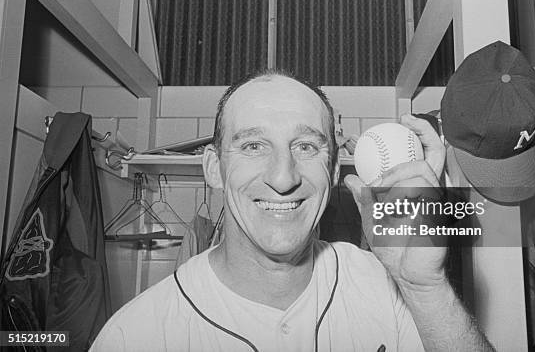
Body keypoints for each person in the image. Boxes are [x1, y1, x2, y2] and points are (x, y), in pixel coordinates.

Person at [91, 71, 493, 351]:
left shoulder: (389, 289)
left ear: (334, 170)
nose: (283, 178)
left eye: (305, 147)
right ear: (214, 168)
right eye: (253, 146)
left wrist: (426, 289)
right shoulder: (134, 335)